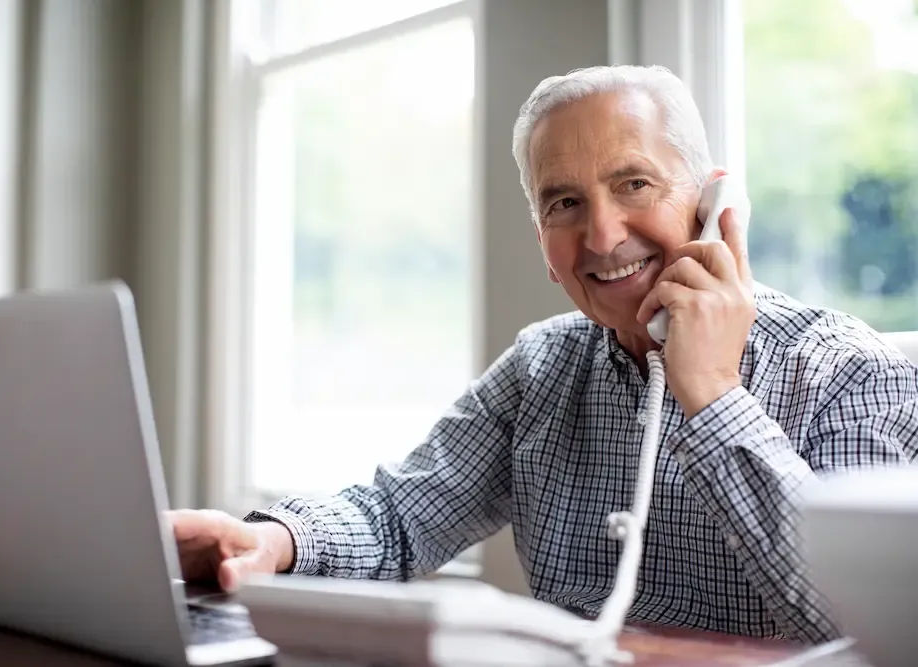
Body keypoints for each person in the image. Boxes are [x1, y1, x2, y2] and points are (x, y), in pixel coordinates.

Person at [170, 65, 918, 642]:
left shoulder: (850, 369)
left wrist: (714, 394)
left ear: (712, 205)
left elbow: (857, 623)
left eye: (634, 183)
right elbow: (400, 514)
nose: (601, 235)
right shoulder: (542, 367)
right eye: (565, 202)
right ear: (543, 246)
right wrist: (273, 540)